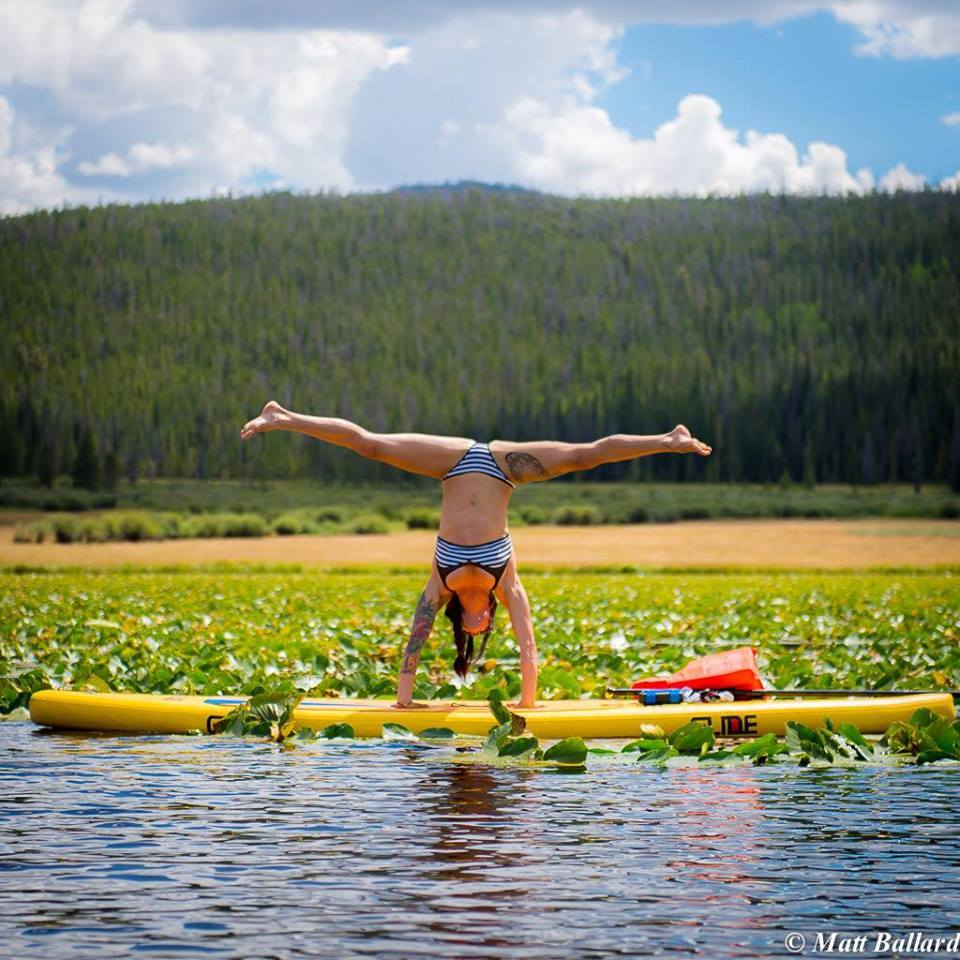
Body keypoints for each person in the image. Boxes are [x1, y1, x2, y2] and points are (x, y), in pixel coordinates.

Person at [240, 401, 712, 709]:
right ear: (487, 619)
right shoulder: (505, 586)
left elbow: (414, 642)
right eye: (483, 627)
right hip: (482, 462)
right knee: (372, 445)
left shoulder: (440, 586)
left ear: (465, 625)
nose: (478, 626)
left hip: (481, 466)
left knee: (585, 455)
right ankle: (282, 417)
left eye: (473, 629)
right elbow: (528, 644)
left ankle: (668, 439)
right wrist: (529, 701)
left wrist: (405, 700)